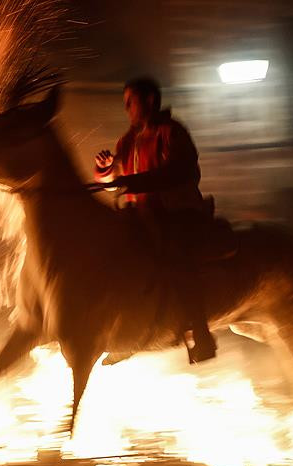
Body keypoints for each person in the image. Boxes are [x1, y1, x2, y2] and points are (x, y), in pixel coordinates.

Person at [93, 77, 217, 364]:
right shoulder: (126, 140)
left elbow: (180, 172)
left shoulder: (172, 133)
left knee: (175, 258)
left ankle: (201, 334)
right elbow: (114, 184)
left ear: (149, 101)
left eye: (130, 102)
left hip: (177, 213)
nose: (126, 108)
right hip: (139, 215)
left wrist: (131, 182)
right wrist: (105, 170)